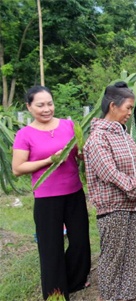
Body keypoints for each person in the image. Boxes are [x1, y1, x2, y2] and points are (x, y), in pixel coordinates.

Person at [83, 82, 136, 301]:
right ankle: (108, 297)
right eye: (128, 108)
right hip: (112, 210)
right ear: (113, 106)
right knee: (113, 259)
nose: (130, 113)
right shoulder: (97, 139)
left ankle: (127, 297)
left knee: (131, 259)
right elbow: (109, 173)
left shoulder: (125, 136)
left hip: (133, 206)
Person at [12, 86, 91, 300]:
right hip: (47, 198)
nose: (47, 109)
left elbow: (79, 154)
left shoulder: (69, 125)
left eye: (50, 103)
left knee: (80, 241)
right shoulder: (25, 134)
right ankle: (55, 293)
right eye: (40, 105)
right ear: (29, 107)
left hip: (74, 192)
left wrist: (84, 154)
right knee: (51, 247)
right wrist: (50, 160)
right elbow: (18, 168)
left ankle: (74, 282)